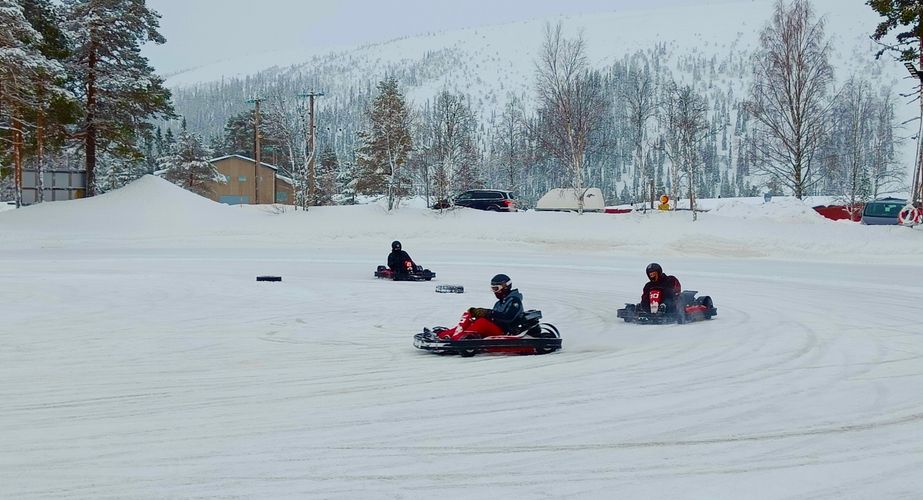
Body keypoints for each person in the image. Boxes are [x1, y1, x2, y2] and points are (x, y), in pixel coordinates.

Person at [439, 274, 527, 339]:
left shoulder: (515, 301)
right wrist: (479, 313)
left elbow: (508, 318)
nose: (494, 291)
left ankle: (460, 339)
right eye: (493, 289)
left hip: (506, 331)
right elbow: (494, 317)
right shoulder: (499, 302)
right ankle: (444, 335)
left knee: (482, 322)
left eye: (496, 288)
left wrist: (488, 313)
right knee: (472, 321)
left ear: (505, 287)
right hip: (497, 328)